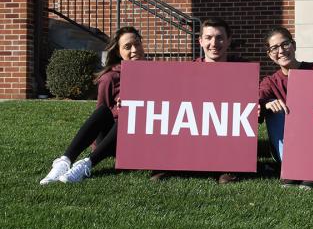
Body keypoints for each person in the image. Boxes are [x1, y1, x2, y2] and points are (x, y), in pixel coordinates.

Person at [40, 26, 145, 184]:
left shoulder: (155, 72)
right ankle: (66, 161)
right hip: (113, 138)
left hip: (141, 136)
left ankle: (86, 164)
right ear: (118, 52)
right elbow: (101, 115)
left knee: (131, 113)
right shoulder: (110, 78)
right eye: (127, 47)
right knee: (105, 111)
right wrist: (119, 109)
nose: (135, 50)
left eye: (137, 44)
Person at [150, 18, 245, 184]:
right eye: (208, 38)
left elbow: (256, 95)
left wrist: (258, 104)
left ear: (229, 40)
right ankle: (166, 164)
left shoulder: (243, 70)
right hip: (194, 125)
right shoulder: (188, 71)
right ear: (200, 41)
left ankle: (228, 166)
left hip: (224, 128)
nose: (214, 43)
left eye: (219, 37)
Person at [259, 27, 313, 189]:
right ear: (269, 54)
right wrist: (265, 103)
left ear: (294, 45)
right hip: (289, 143)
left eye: (285, 44)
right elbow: (255, 100)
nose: (281, 51)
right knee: (272, 107)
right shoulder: (270, 82)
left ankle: (312, 168)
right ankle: (290, 167)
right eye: (274, 48)